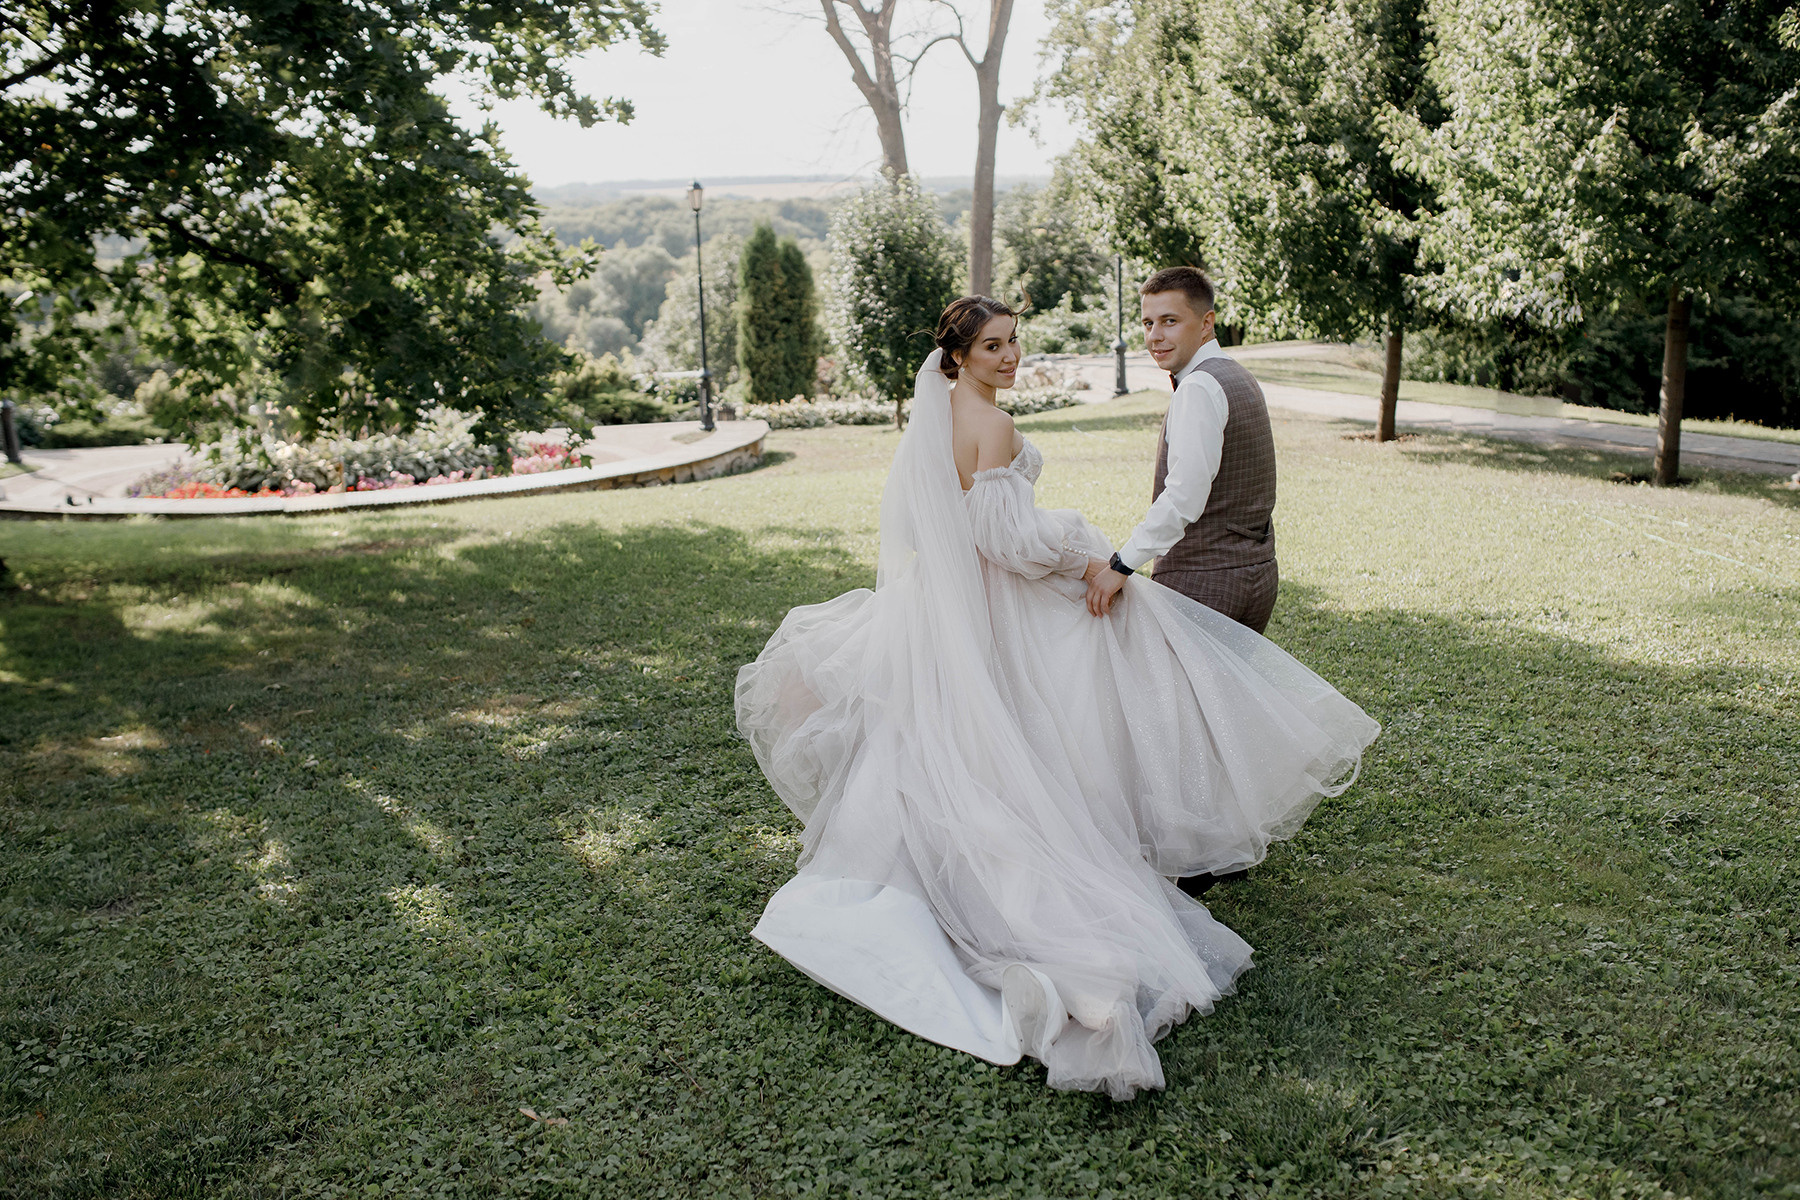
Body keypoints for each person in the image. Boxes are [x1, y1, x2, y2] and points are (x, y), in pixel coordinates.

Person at [736, 296, 1378, 1100]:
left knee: (947, 744)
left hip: (947, 607)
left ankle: (906, 876)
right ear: (961, 354)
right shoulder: (993, 426)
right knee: (1071, 700)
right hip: (998, 600)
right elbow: (1008, 541)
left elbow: (949, 522)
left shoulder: (938, 408)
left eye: (1014, 343)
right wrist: (1081, 554)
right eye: (994, 346)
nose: (1009, 357)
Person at [1084, 267, 1279, 635]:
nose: (1155, 336)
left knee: (1172, 693)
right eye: (1147, 323)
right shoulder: (1238, 375)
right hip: (1259, 575)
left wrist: (1121, 565)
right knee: (1227, 694)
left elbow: (1183, 498)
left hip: (1203, 582)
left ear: (1207, 323)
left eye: (1169, 321)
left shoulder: (1199, 387)